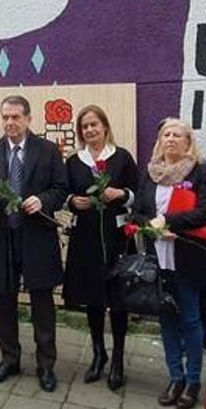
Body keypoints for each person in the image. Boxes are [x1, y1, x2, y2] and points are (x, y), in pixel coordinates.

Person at [0, 95, 67, 392]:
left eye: (15, 117)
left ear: (28, 119)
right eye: (5, 117)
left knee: (42, 301)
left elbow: (61, 188)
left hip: (37, 236)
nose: (10, 123)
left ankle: (46, 365)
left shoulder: (48, 150)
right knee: (4, 300)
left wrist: (43, 200)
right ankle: (9, 359)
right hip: (2, 236)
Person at [133, 118, 206, 409]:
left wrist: (169, 222)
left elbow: (205, 211)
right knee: (166, 318)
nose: (170, 138)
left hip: (188, 257)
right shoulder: (150, 173)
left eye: (177, 135)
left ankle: (193, 381)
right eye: (166, 134)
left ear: (188, 142)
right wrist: (151, 227)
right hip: (157, 258)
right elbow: (137, 212)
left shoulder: (200, 171)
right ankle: (175, 377)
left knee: (191, 319)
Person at [63, 105, 139, 389]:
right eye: (84, 126)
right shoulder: (74, 161)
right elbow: (64, 192)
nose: (90, 130)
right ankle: (98, 353)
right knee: (93, 298)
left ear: (105, 127)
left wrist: (122, 193)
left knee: (117, 300)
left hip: (117, 236)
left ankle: (118, 358)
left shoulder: (121, 158)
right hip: (86, 238)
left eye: (94, 124)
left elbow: (139, 193)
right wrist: (73, 201)